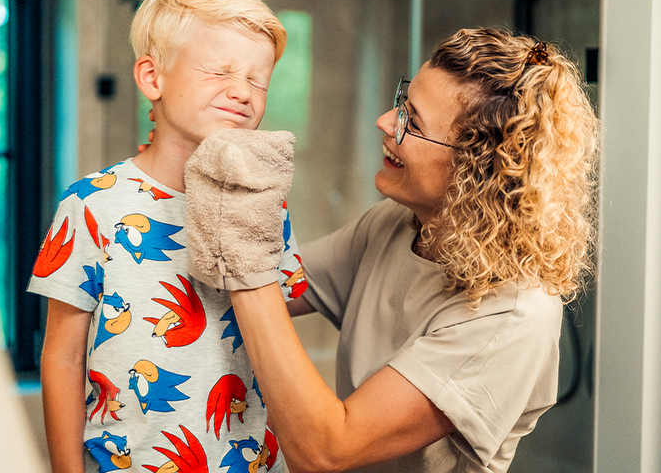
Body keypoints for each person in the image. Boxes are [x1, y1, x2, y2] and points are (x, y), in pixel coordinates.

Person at [186, 27, 601, 472]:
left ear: (479, 169)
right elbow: (252, 289)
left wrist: (246, 249)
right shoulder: (395, 225)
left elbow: (325, 450)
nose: (385, 121)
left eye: (412, 122)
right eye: (403, 102)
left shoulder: (511, 317)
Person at [28, 0, 302, 473]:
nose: (243, 92)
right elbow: (63, 358)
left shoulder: (264, 204)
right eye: (220, 72)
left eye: (257, 80)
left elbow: (280, 337)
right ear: (153, 78)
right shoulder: (91, 205)